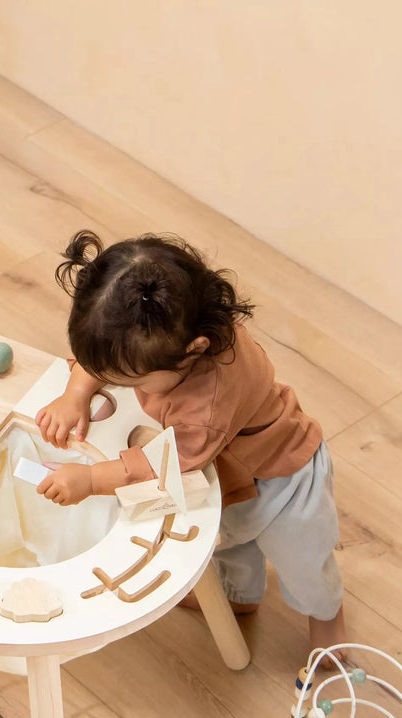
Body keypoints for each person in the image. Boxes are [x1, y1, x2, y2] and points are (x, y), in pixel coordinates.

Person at [35, 230, 346, 654]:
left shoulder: (209, 404)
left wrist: (91, 480)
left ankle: (327, 616)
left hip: (283, 476)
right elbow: (106, 354)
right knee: (232, 541)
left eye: (132, 379)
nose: (113, 381)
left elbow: (166, 464)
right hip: (227, 471)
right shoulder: (181, 323)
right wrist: (76, 392)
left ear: (193, 351)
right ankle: (242, 597)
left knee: (303, 560)